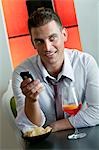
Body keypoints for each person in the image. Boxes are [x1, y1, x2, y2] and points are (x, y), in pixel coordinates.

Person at [12, 8, 99, 133]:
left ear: (64, 35)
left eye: (52, 38)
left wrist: (56, 126)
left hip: (83, 134)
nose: (47, 47)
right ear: (32, 43)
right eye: (39, 41)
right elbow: (31, 126)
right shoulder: (21, 73)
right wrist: (31, 101)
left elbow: (97, 111)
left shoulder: (85, 63)